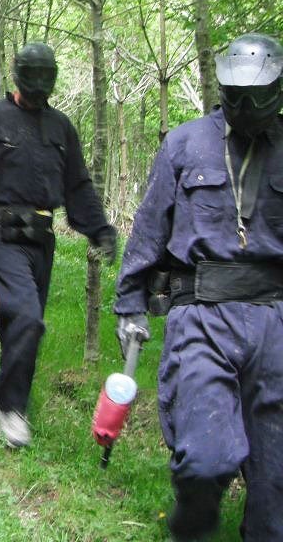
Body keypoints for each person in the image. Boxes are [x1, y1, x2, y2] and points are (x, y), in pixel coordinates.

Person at [114, 32, 283, 542]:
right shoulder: (186, 142)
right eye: (237, 95)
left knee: (275, 484)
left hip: (275, 323)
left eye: (258, 96)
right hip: (202, 316)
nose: (247, 106)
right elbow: (150, 227)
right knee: (207, 459)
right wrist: (130, 304)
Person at [0, 41, 116, 448]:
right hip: (2, 237)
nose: (36, 87)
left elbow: (78, 184)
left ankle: (7, 402)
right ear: (17, 76)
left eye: (44, 79)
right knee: (29, 318)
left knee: (22, 325)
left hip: (42, 241)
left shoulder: (61, 126)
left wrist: (99, 229)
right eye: (30, 78)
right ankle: (8, 406)